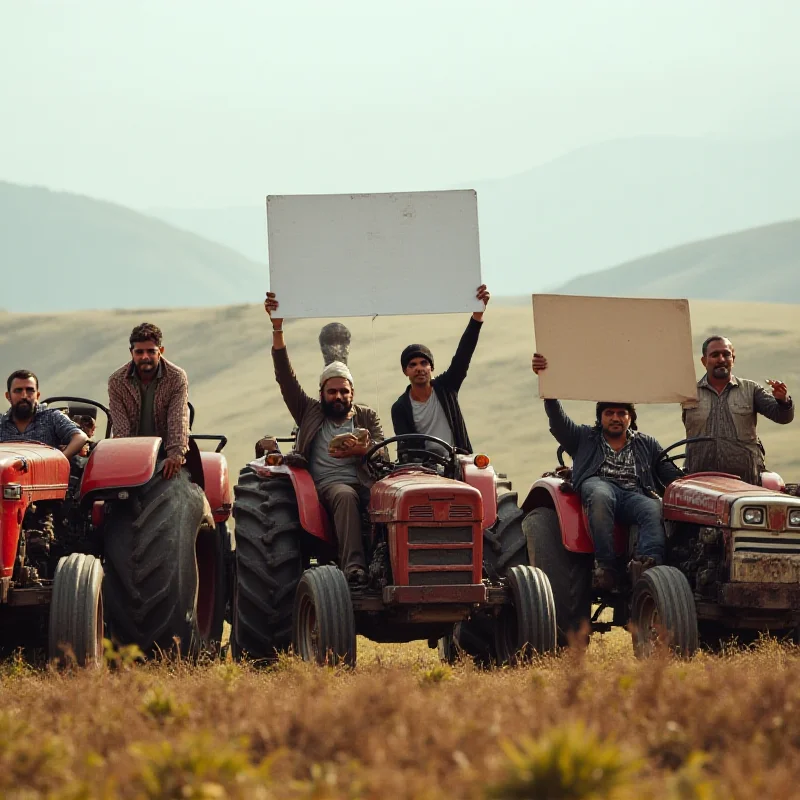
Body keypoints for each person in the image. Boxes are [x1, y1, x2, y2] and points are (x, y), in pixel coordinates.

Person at [264, 292, 386, 586]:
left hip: (366, 481)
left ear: (352, 394)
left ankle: (388, 566)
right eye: (332, 391)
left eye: (344, 392)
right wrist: (278, 328)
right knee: (345, 495)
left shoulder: (367, 417)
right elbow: (285, 376)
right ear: (322, 393)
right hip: (326, 487)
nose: (338, 396)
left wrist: (364, 450)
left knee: (392, 498)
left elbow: (383, 456)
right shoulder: (308, 411)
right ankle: (354, 569)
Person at [532, 354, 681, 590]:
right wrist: (548, 385)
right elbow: (558, 421)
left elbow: (670, 475)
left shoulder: (647, 443)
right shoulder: (584, 438)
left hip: (633, 495)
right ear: (600, 418)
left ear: (630, 418)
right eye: (609, 413)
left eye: (621, 413)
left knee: (653, 507)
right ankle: (606, 566)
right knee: (600, 494)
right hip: (600, 486)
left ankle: (646, 566)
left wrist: (689, 479)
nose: (615, 418)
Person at [391, 285, 490, 456]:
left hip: (458, 464)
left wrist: (477, 316)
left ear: (431, 368)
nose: (419, 368)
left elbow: (463, 355)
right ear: (405, 371)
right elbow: (406, 448)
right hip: (424, 471)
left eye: (424, 363)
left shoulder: (446, 388)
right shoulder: (400, 407)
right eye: (412, 365)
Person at [683, 335, 794, 484]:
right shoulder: (688, 392)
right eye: (715, 355)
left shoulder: (751, 390)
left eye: (726, 354)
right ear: (704, 361)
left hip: (746, 481)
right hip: (700, 481)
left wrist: (782, 400)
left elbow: (782, 417)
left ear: (733, 359)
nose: (721, 359)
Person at [107, 322, 190, 479]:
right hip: (132, 454)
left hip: (166, 451)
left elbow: (178, 419)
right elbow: (121, 427)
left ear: (161, 351)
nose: (145, 357)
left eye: (151, 351)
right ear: (131, 353)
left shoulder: (176, 377)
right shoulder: (117, 381)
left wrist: (175, 454)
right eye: (139, 352)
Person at [1, 370, 88, 458]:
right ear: (8, 396)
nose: (24, 396)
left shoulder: (52, 417)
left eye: (30, 390)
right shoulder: (1, 423)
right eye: (18, 390)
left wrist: (59, 460)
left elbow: (80, 437)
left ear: (37, 396)